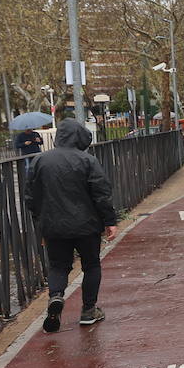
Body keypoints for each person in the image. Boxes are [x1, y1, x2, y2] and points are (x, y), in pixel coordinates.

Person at [25, 118, 118, 332]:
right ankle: (88, 310)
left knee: (58, 265)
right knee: (91, 265)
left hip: (54, 226)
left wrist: (41, 223)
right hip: (87, 225)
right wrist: (110, 221)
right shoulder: (87, 161)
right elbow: (101, 194)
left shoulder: (40, 161)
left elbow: (31, 197)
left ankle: (56, 297)